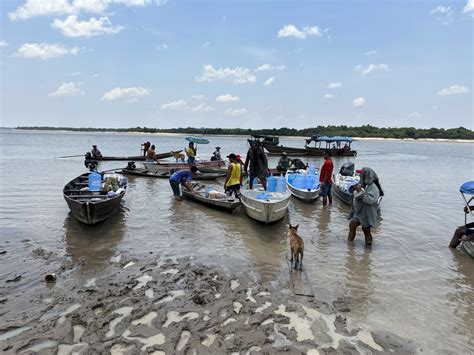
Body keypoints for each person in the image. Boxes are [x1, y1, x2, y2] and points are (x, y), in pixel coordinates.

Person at [348, 167, 383, 246]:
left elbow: (370, 200)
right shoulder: (364, 184)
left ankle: (368, 251)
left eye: (362, 174)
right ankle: (349, 248)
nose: (361, 175)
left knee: (366, 231)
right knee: (352, 226)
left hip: (367, 213)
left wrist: (360, 192)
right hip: (360, 211)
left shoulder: (374, 188)